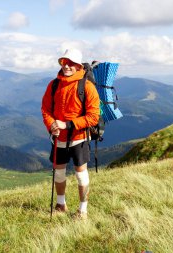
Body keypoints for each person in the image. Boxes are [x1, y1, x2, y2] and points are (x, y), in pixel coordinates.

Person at [41, 48, 100, 219]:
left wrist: (66, 125)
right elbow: (45, 109)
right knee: (59, 172)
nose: (66, 66)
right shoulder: (53, 85)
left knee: (81, 174)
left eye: (71, 63)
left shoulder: (87, 87)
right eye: (64, 62)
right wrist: (52, 124)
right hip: (58, 137)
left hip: (79, 137)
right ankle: (61, 205)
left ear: (78, 65)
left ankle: (83, 211)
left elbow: (93, 117)